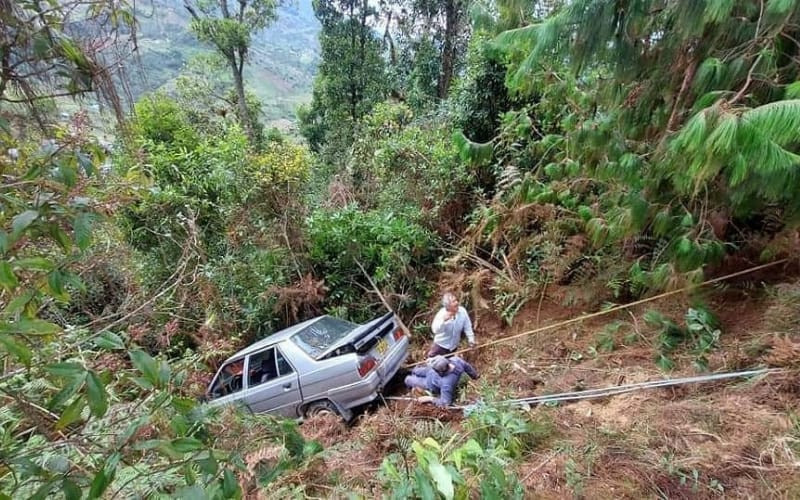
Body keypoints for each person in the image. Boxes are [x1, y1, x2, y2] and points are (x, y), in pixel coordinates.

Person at [404, 355, 479, 408]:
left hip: (428, 383)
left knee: (408, 379)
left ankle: (407, 386)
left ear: (441, 372)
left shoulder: (447, 384)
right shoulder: (456, 360)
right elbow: (468, 367)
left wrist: (429, 398)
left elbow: (445, 403)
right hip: (429, 372)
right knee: (415, 370)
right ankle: (409, 371)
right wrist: (475, 376)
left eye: (436, 370)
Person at [428, 292, 476, 357]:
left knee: (449, 365)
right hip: (440, 346)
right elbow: (435, 330)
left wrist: (471, 340)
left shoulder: (462, 311)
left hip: (453, 348)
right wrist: (443, 321)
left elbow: (467, 327)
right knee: (434, 364)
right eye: (453, 302)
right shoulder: (441, 314)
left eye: (456, 300)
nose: (456, 303)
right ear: (448, 306)